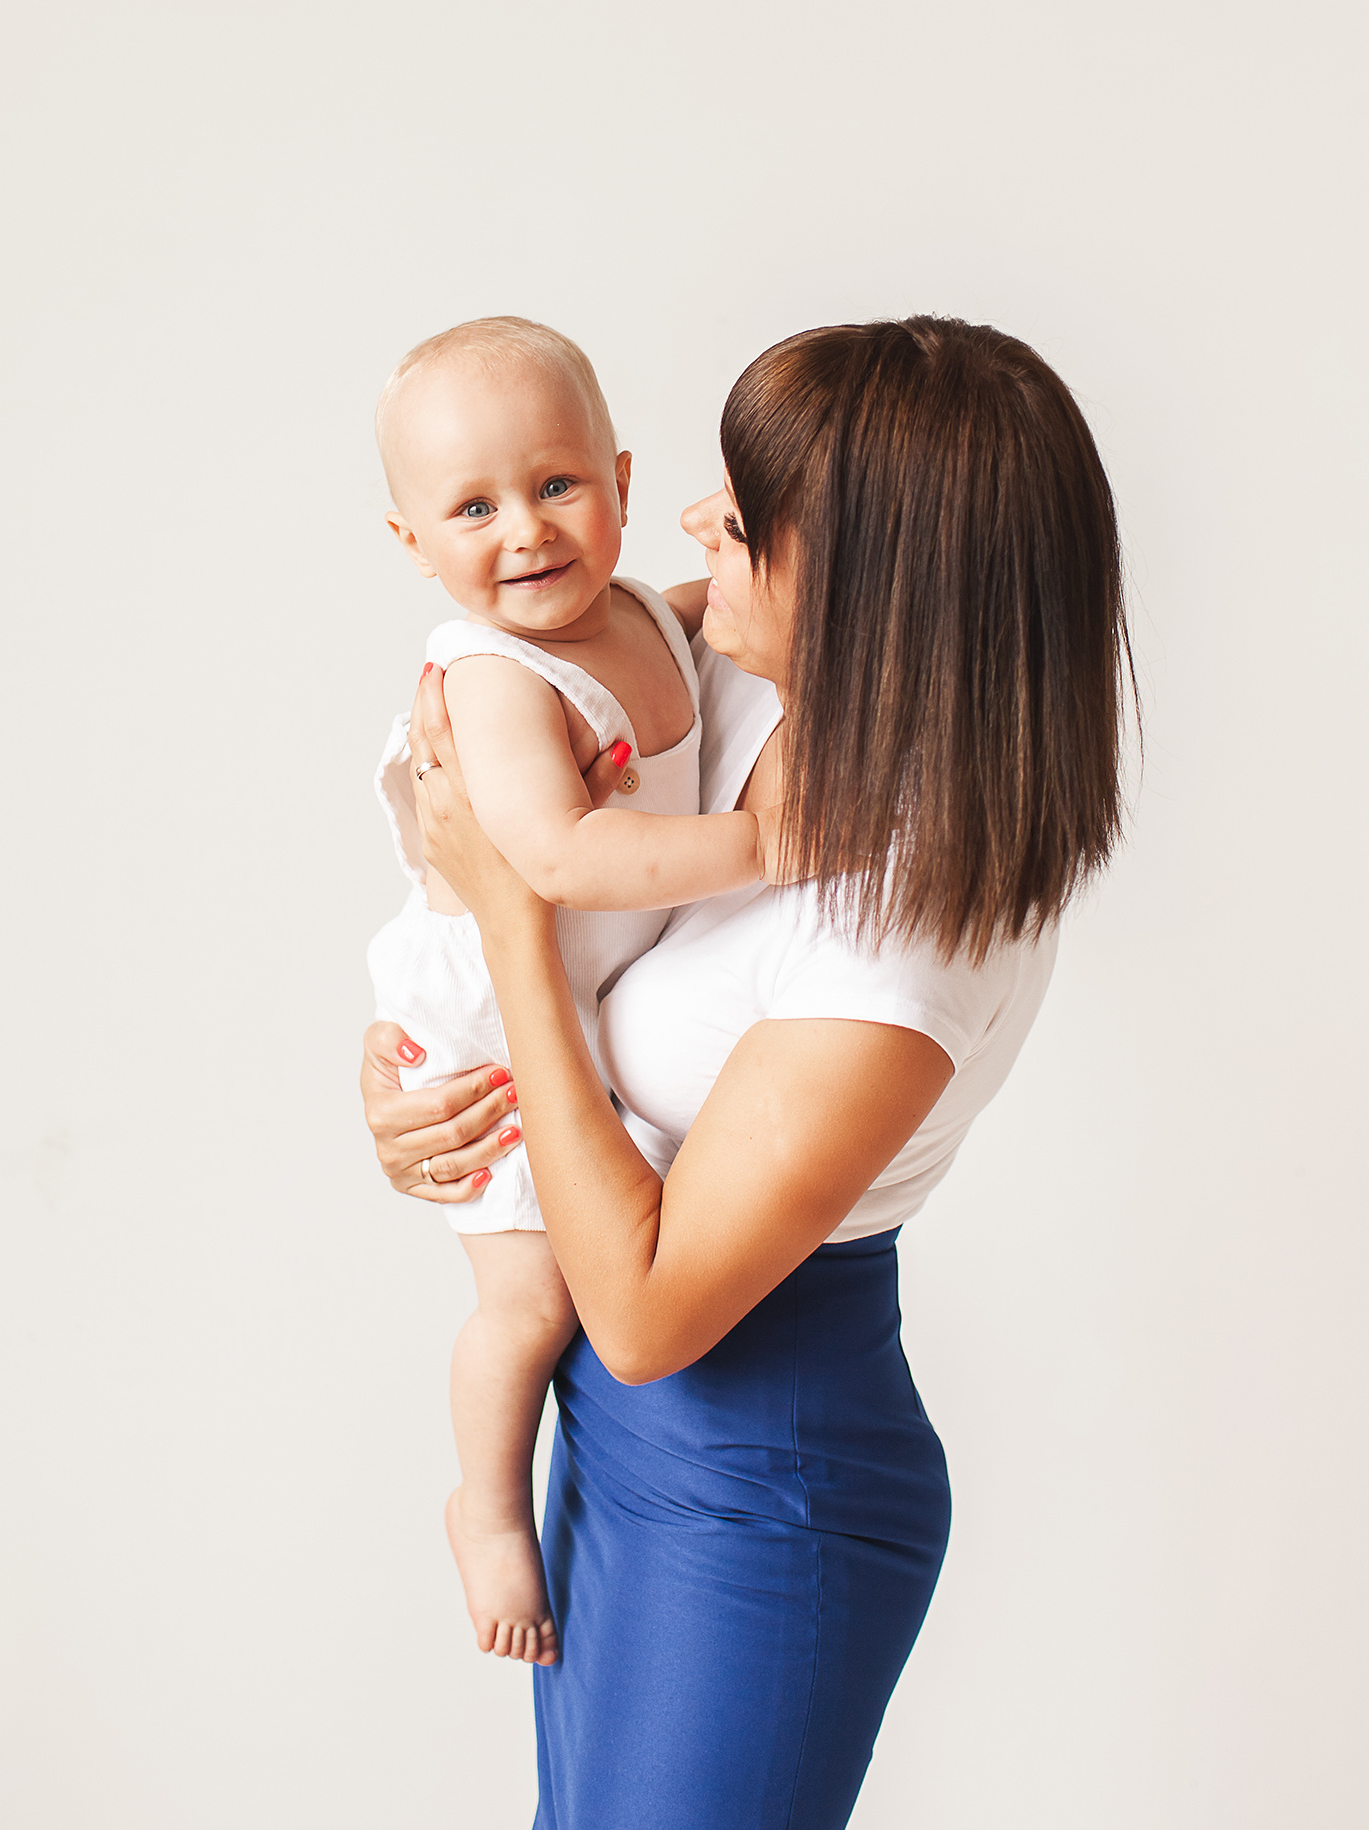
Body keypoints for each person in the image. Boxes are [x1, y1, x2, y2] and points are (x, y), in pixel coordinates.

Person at [362, 316, 1133, 1829]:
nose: (696, 527)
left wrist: (515, 928)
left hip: (757, 1485)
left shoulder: (906, 924)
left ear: (868, 586)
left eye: (744, 512)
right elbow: (512, 818)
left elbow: (650, 1310)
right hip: (617, 1442)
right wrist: (414, 1072)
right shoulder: (766, 690)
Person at [367, 317, 779, 1668]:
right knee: (533, 1302)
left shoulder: (650, 613)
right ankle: (484, 1504)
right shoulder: (494, 675)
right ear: (411, 544)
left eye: (555, 486)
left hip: (579, 1000)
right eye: (472, 507)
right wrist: (775, 840)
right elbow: (554, 855)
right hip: (489, 1011)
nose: (526, 532)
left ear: (615, 473)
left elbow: (726, 603)